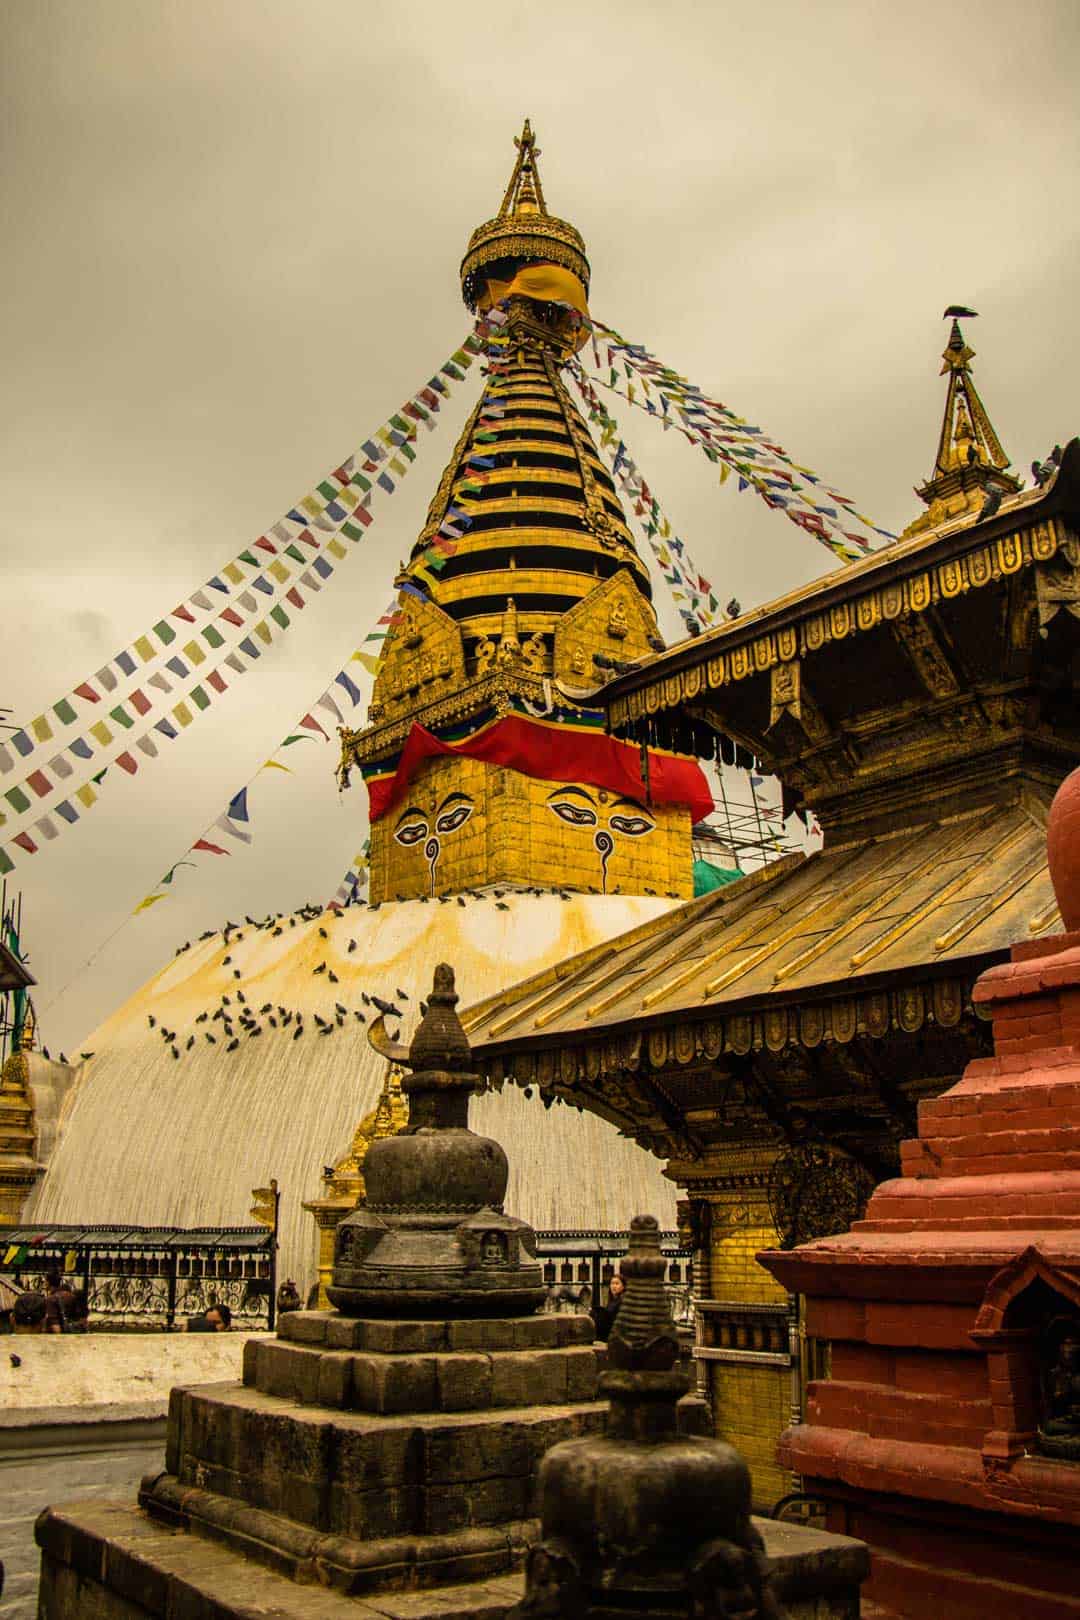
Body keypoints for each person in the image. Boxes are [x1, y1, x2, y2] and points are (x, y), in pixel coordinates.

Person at [43, 1269, 78, 1334]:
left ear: (48, 1282)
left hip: (60, 1337)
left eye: (45, 1280)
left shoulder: (51, 1299)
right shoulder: (71, 1295)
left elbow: (55, 1325)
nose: (44, 1282)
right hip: (73, 1333)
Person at [593, 1271, 625, 1341]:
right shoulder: (612, 1301)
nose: (613, 1286)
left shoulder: (622, 1301)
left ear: (623, 1286)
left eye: (617, 1283)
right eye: (612, 1283)